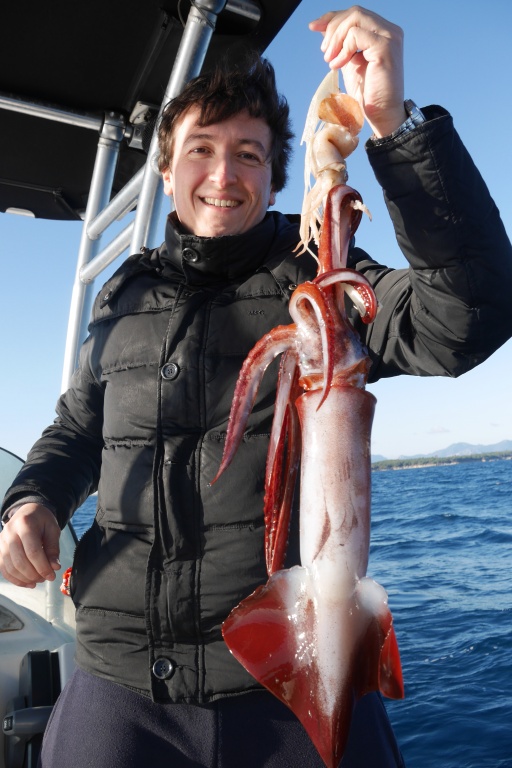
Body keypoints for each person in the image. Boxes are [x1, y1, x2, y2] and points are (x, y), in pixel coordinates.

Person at [1, 6, 512, 767]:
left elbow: (466, 315)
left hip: (288, 677)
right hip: (120, 684)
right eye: (199, 150)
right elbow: (79, 429)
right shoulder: (122, 294)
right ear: (168, 170)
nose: (221, 173)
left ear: (276, 176)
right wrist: (31, 500)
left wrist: (396, 127)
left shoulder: (323, 280)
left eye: (248, 153)